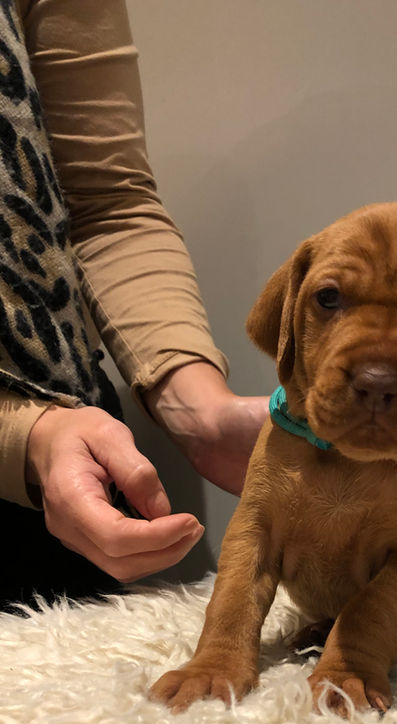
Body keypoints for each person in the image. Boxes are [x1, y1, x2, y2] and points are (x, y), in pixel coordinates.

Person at [0, 0, 268, 609]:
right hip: (48, 450)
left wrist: (199, 408)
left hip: (73, 474)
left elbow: (109, 205)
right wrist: (25, 438)